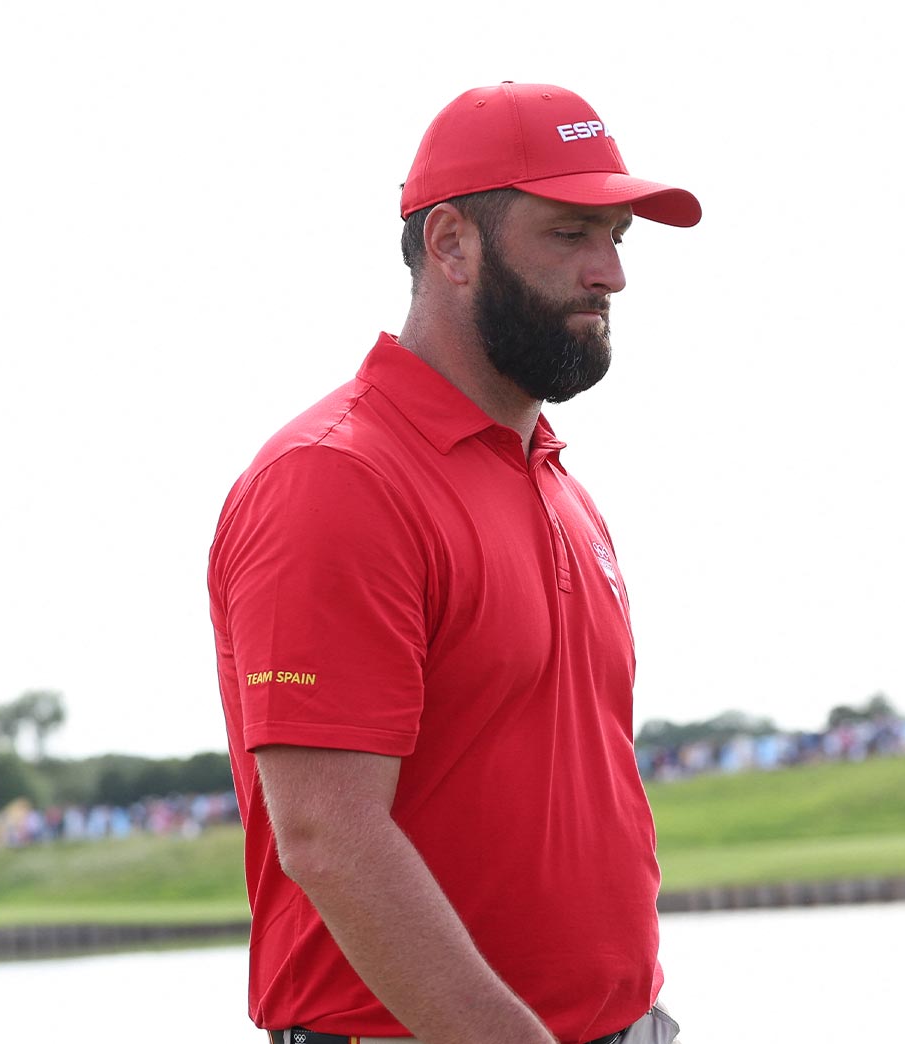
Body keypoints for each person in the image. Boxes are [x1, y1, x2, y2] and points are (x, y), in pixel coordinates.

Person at [208, 83, 700, 1044]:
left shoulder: (554, 479)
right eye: (571, 236)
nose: (611, 274)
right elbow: (328, 834)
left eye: (617, 238)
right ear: (451, 245)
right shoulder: (336, 478)